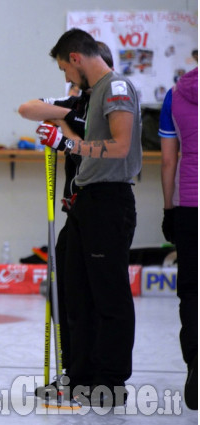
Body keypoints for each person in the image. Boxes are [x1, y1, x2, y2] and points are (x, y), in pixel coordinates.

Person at [36, 28, 142, 408]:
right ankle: (78, 375)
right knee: (74, 292)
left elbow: (121, 145)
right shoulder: (94, 94)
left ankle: (110, 381)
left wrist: (68, 143)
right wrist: (62, 135)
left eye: (66, 68)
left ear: (77, 59)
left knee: (108, 296)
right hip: (84, 201)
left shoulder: (116, 89)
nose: (66, 77)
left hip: (108, 201)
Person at [18, 41, 114, 396]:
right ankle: (73, 369)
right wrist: (61, 110)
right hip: (74, 210)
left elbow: (91, 148)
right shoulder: (73, 105)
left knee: (98, 296)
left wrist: (64, 134)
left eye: (73, 81)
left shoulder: (102, 107)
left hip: (100, 202)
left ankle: (100, 376)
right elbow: (27, 108)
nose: (70, 88)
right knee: (67, 291)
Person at [158, 67, 198, 410]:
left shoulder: (176, 93)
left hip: (189, 206)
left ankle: (195, 365)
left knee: (191, 291)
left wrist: (169, 210)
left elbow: (168, 160)